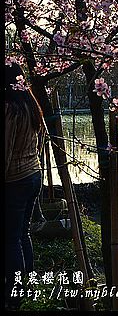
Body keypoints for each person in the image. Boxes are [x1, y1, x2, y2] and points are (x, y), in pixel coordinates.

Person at [5, 63, 46, 309]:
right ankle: (26, 284)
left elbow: (5, 154)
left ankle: (15, 294)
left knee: (10, 239)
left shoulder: (10, 110)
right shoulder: (31, 106)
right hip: (34, 174)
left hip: (15, 180)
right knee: (23, 233)